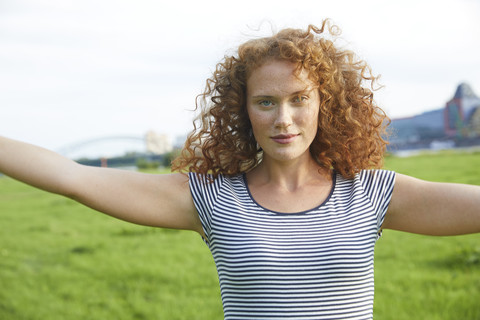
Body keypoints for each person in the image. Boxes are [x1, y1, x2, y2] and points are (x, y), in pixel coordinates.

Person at [0, 20, 479, 320]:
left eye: (299, 99)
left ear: (324, 105)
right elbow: (73, 177)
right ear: (244, 111)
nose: (283, 119)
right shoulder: (212, 199)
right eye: (265, 102)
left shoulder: (371, 194)